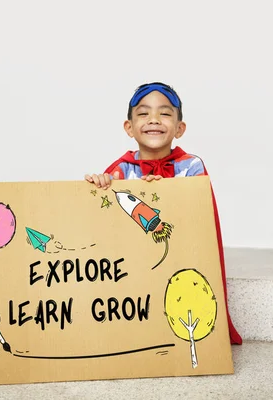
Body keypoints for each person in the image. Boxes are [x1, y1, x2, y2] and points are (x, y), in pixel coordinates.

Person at [85, 82, 242, 345]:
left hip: (179, 256)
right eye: (143, 113)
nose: (154, 120)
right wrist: (101, 185)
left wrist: (164, 192)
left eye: (165, 113)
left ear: (179, 128)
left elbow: (197, 216)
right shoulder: (121, 169)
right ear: (129, 127)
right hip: (136, 262)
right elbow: (105, 221)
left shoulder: (191, 165)